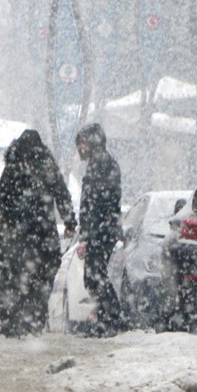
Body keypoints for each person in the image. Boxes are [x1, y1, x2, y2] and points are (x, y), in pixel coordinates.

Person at [0, 129, 76, 338]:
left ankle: (11, 322)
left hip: (14, 237)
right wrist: (69, 222)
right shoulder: (48, 166)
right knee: (40, 279)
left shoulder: (13, 167)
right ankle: (35, 321)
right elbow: (62, 195)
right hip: (42, 237)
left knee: (10, 279)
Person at [74, 122, 124, 337]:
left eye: (83, 142)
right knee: (95, 275)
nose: (80, 148)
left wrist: (88, 235)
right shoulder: (99, 163)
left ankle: (110, 319)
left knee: (94, 276)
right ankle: (108, 318)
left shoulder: (101, 164)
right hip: (102, 229)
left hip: (101, 229)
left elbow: (95, 204)